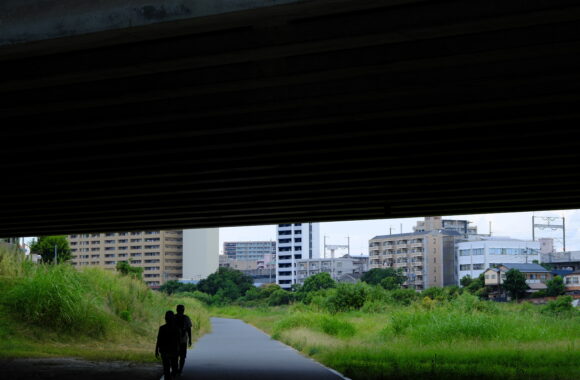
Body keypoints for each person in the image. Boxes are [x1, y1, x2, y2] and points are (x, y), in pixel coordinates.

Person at [155, 310, 180, 380]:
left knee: (167, 368)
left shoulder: (162, 328)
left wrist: (156, 350)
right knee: (173, 368)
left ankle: (169, 377)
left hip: (165, 351)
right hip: (172, 351)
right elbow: (179, 341)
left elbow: (159, 340)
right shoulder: (177, 328)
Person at [174, 304, 193, 374]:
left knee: (175, 356)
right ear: (183, 310)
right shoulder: (186, 318)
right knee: (182, 356)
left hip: (175, 341)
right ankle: (180, 370)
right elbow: (189, 330)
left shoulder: (173, 317)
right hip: (183, 340)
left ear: (176, 310)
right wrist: (190, 340)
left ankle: (176, 369)